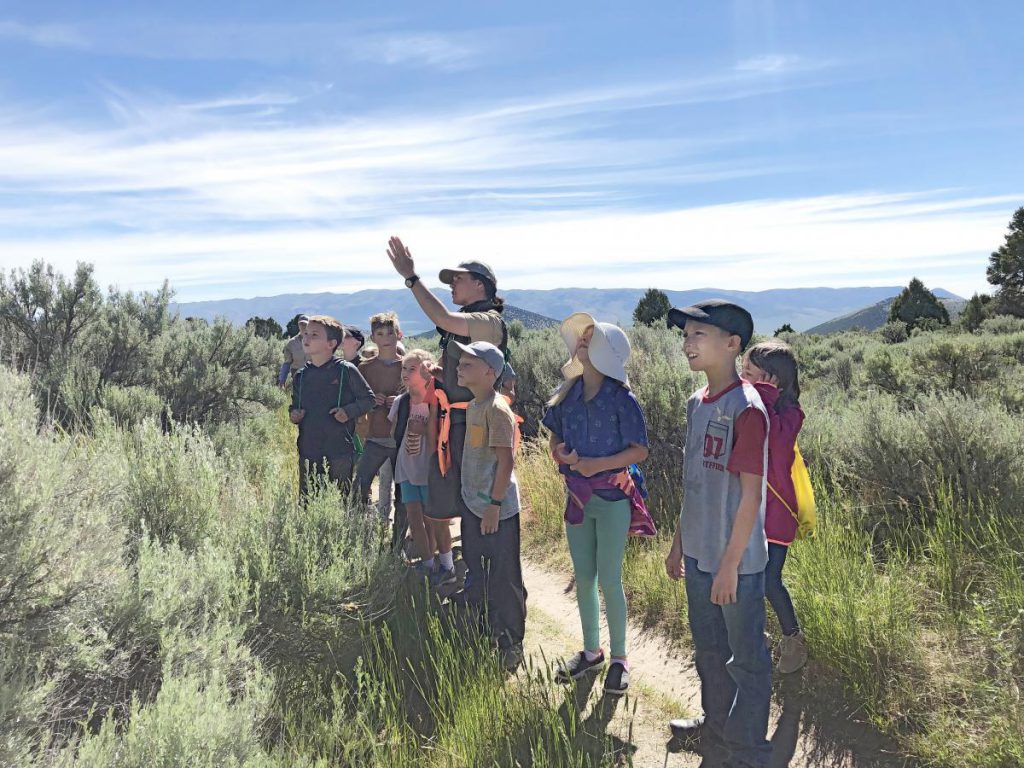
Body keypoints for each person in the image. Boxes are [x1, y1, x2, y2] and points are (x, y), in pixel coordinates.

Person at [663, 300, 772, 768]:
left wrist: (730, 565)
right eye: (685, 335)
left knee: (745, 659)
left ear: (732, 345)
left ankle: (747, 748)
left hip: (737, 565)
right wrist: (679, 543)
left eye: (698, 335)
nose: (688, 343)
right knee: (708, 650)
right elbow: (695, 483)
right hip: (700, 557)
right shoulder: (696, 403)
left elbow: (751, 497)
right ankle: (716, 728)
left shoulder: (747, 409)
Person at [385, 237, 508, 599]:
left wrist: (411, 278)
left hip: (475, 427)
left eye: (459, 279)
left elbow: (440, 317)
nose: (453, 284)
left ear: (481, 286)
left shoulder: (488, 321)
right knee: (459, 499)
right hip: (458, 424)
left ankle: (483, 589)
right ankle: (469, 581)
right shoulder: (475, 324)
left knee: (475, 501)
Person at [543, 314, 653, 697]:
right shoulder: (567, 393)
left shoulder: (622, 399)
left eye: (592, 338)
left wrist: (595, 465)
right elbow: (554, 433)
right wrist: (559, 450)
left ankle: (620, 659)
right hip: (577, 496)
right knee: (584, 577)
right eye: (583, 338)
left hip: (611, 498)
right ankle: (592, 652)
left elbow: (639, 449)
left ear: (608, 351)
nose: (583, 342)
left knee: (609, 578)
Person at [453, 340, 526, 672]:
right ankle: (486, 629)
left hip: (496, 508)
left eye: (467, 364)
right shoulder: (473, 406)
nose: (459, 368)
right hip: (473, 504)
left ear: (488, 372)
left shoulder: (497, 410)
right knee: (477, 567)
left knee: (504, 575)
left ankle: (512, 642)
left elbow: (505, 461)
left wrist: (495, 504)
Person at [741, 340, 807, 674]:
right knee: (747, 578)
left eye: (749, 374)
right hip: (748, 512)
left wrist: (760, 396)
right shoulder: (746, 406)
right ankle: (757, 637)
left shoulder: (791, 415)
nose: (742, 378)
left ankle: (793, 640)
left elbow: (776, 445)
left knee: (769, 581)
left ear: (772, 381)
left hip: (778, 515)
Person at [389, 349, 457, 586]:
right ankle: (428, 564)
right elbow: (395, 431)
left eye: (412, 368)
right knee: (414, 516)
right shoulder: (401, 401)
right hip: (407, 467)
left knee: (436, 520)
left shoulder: (437, 399)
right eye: (403, 368)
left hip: (430, 468)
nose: (405, 373)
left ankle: (447, 565)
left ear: (426, 371)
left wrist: (423, 432)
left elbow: (442, 435)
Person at [289, 315, 375, 498]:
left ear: (331, 343)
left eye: (314, 335)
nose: (306, 338)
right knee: (308, 503)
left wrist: (348, 411)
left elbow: (368, 399)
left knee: (338, 502)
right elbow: (294, 407)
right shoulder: (301, 376)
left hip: (339, 452)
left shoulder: (345, 370)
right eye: (305, 334)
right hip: (308, 449)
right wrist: (294, 414)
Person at [356, 313, 406, 540]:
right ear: (373, 337)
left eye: (390, 332)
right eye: (380, 333)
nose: (386, 338)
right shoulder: (365, 368)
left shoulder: (408, 366)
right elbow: (356, 401)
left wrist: (399, 400)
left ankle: (397, 543)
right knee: (360, 487)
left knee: (404, 494)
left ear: (399, 334)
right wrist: (371, 401)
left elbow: (421, 397)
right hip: (375, 436)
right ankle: (361, 536)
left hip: (402, 439)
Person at [279, 314, 310, 387]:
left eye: (305, 324)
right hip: (297, 375)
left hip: (313, 375)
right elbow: (287, 363)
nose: (303, 326)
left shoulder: (315, 341)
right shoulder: (291, 343)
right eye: (301, 324)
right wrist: (282, 380)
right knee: (298, 397)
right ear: (298, 325)